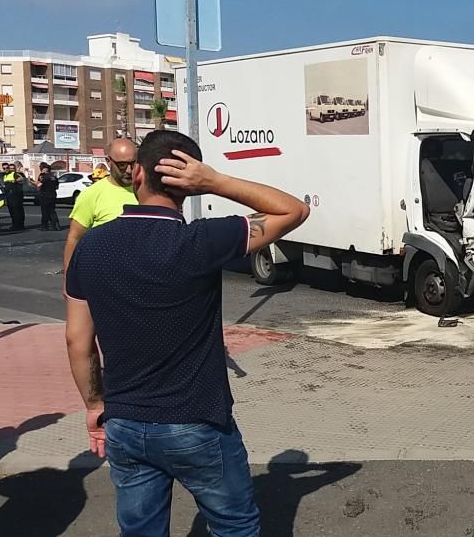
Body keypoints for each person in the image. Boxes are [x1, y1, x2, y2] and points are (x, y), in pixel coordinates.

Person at [65, 130, 310, 535]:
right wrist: (215, 181)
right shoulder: (201, 240)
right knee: (234, 526)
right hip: (196, 420)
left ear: (137, 174)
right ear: (188, 183)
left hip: (124, 420)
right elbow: (293, 210)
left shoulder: (91, 246)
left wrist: (94, 406)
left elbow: (77, 339)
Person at [63, 139, 138, 274]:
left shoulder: (147, 190)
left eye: (133, 163)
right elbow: (74, 238)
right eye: (122, 165)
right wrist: (68, 280)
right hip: (104, 276)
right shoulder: (91, 195)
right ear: (108, 162)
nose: (129, 170)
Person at [30, 162, 61, 231]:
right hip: (53, 195)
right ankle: (56, 226)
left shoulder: (45, 177)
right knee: (52, 211)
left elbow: (39, 185)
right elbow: (57, 187)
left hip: (45, 195)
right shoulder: (54, 177)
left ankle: (44, 226)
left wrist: (31, 182)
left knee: (44, 212)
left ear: (45, 169)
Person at [1, 163, 26, 230]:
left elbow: (21, 178)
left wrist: (14, 181)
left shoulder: (14, 173)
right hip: (8, 195)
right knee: (11, 211)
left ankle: (19, 225)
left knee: (17, 211)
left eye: (7, 168)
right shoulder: (4, 176)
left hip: (15, 194)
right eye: (4, 168)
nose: (6, 169)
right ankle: (15, 225)